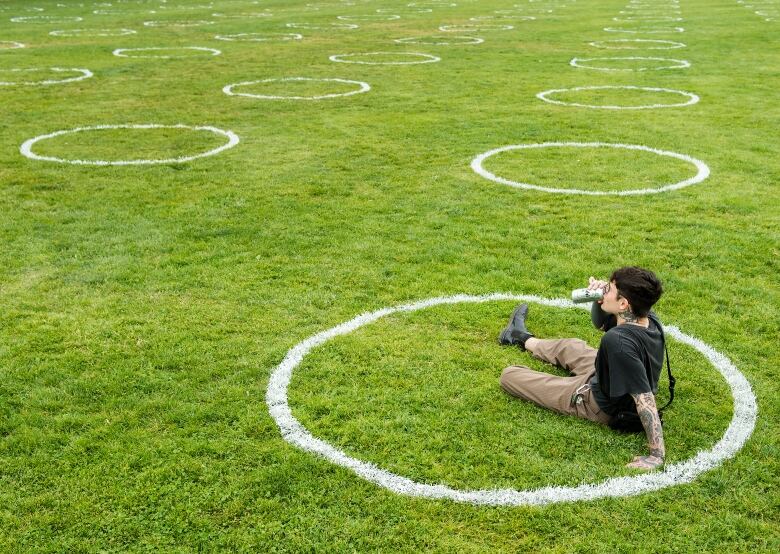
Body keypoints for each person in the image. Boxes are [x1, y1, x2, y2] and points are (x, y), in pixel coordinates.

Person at [498, 266, 666, 471]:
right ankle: (519, 336)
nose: (604, 289)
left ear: (623, 304)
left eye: (609, 289)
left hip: (597, 402)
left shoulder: (619, 343)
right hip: (608, 372)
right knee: (572, 347)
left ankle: (529, 353)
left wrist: (656, 455)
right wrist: (600, 300)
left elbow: (644, 399)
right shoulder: (647, 317)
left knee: (510, 375)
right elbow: (600, 323)